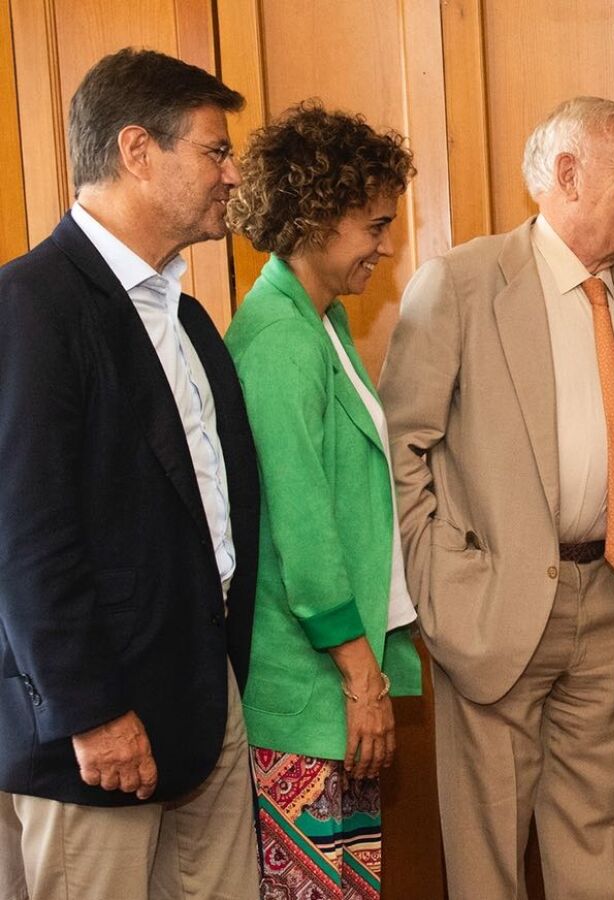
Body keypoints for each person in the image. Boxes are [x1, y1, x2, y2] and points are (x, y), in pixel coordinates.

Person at [379, 95, 614, 900]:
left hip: (612, 594)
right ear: (568, 175)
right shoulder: (461, 282)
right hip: (495, 609)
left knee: (597, 838)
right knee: (489, 855)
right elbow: (401, 447)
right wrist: (441, 582)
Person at [0, 48, 260, 900]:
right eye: (216, 151)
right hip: (94, 729)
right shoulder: (31, 304)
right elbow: (25, 536)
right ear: (138, 150)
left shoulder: (186, 317)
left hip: (205, 697)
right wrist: (93, 712)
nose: (232, 174)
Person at [223, 101, 423, 898]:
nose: (386, 245)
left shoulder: (321, 320)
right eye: (375, 226)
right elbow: (303, 532)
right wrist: (361, 680)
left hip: (329, 684)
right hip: (306, 688)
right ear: (316, 216)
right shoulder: (279, 337)